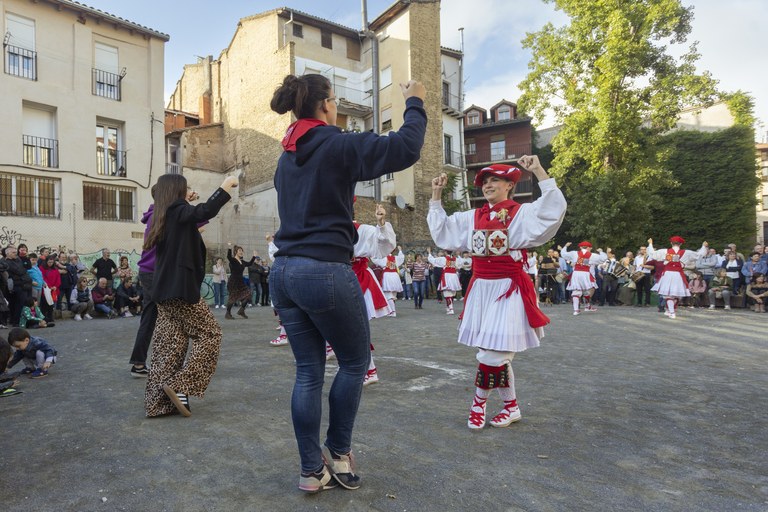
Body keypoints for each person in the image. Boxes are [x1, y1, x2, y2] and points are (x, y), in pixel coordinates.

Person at [268, 73, 426, 492]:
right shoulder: (336, 142)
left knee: (307, 372)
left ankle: (310, 469)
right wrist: (414, 102)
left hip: (284, 272)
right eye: (335, 100)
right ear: (324, 106)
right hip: (324, 269)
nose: (336, 108)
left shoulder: (286, 157)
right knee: (355, 363)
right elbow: (406, 147)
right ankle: (338, 453)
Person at [428, 156, 566, 430]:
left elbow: (553, 208)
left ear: (508, 186)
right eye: (485, 181)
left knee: (493, 355)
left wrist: (538, 169)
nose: (488, 185)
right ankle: (511, 407)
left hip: (508, 289)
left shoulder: (521, 213)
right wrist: (436, 194)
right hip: (481, 289)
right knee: (495, 353)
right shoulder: (473, 217)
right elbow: (442, 232)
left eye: (494, 180)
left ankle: (478, 403)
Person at [144, 173, 237, 418]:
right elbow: (203, 211)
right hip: (181, 290)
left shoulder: (162, 216)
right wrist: (224, 188)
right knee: (210, 334)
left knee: (169, 346)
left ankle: (157, 403)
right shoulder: (178, 211)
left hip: (164, 292)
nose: (190, 192)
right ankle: (180, 384)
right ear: (177, 192)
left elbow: (190, 213)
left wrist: (186, 197)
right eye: (186, 189)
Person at [647, 237, 704, 319]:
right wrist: (704, 247)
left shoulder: (665, 251)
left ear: (671, 243)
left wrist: (650, 244)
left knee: (668, 294)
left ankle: (672, 312)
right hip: (678, 275)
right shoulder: (686, 253)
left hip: (668, 275)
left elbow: (653, 254)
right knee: (676, 295)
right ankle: (670, 310)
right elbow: (698, 255)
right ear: (681, 244)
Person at [560, 241, 608, 315]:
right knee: (586, 290)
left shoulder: (574, 253)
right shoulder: (592, 255)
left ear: (580, 247)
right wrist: (601, 251)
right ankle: (586, 306)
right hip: (586, 274)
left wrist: (565, 246)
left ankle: (576, 310)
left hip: (576, 273)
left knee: (577, 290)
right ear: (589, 248)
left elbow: (563, 254)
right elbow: (603, 258)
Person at [224, 243, 255, 320]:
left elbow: (250, 263)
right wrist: (229, 248)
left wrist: (254, 256)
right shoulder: (233, 260)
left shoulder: (242, 261)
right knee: (232, 298)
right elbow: (228, 257)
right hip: (233, 282)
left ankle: (241, 311)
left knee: (248, 295)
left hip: (241, 282)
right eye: (240, 250)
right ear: (236, 252)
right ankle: (228, 314)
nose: (241, 252)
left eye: (242, 251)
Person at [4, 246, 32, 327]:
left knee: (22, 303)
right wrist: (23, 269)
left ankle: (19, 320)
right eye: (13, 252)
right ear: (8, 254)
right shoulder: (6, 262)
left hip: (25, 284)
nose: (15, 253)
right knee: (18, 304)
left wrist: (23, 268)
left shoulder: (18, 260)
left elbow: (27, 267)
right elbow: (19, 271)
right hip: (17, 285)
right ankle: (16, 321)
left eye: (15, 252)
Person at [371, 246, 404, 315]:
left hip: (388, 276)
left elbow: (375, 259)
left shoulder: (384, 258)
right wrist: (400, 251)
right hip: (395, 276)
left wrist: (373, 252)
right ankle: (391, 311)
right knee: (393, 295)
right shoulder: (395, 258)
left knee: (389, 295)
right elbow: (401, 258)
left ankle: (392, 311)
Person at [39, 255, 60, 322]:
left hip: (53, 289)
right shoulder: (42, 268)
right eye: (49, 262)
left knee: (51, 304)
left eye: (52, 262)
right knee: (44, 304)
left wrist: (55, 286)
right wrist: (49, 286)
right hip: (45, 289)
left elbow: (58, 279)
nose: (50, 264)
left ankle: (50, 316)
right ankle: (44, 317)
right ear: (46, 261)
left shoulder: (55, 269)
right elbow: (42, 277)